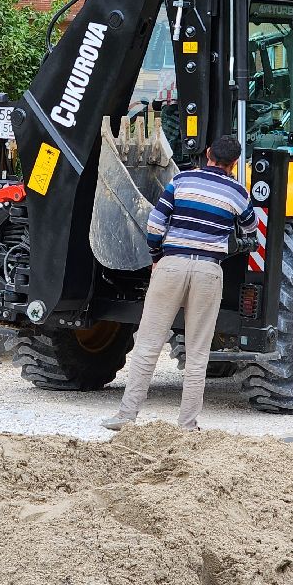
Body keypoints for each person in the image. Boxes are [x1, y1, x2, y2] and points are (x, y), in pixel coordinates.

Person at [102, 134, 253, 431]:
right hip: (209, 272)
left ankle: (126, 416)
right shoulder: (238, 192)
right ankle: (186, 425)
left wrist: (157, 255)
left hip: (171, 265)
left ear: (207, 153)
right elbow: (250, 230)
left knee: (147, 344)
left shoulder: (182, 181)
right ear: (234, 164)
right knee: (198, 353)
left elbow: (155, 224)